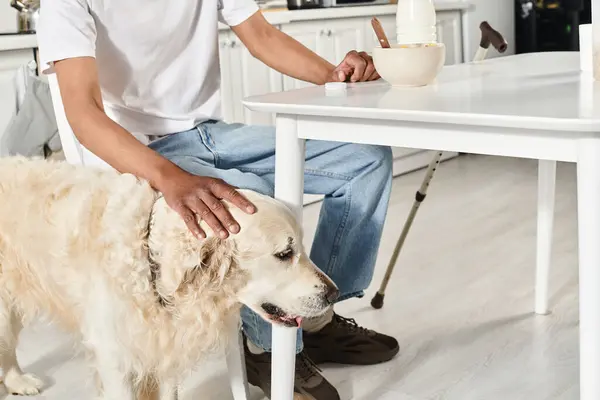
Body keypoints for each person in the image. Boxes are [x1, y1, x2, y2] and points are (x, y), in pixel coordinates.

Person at [38, 0, 398, 398]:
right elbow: (83, 112)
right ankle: (268, 348)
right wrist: (169, 177)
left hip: (209, 134)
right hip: (137, 153)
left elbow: (261, 37)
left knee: (366, 161)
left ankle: (316, 321)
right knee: (251, 202)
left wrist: (335, 77)